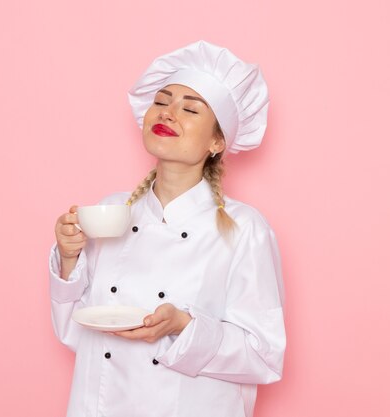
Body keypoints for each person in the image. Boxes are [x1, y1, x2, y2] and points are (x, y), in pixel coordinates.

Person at [49, 40, 286, 417]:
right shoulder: (111, 210)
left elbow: (263, 355)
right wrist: (68, 257)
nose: (169, 113)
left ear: (217, 141)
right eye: (161, 102)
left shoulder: (245, 229)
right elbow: (76, 331)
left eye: (190, 108)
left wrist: (184, 326)